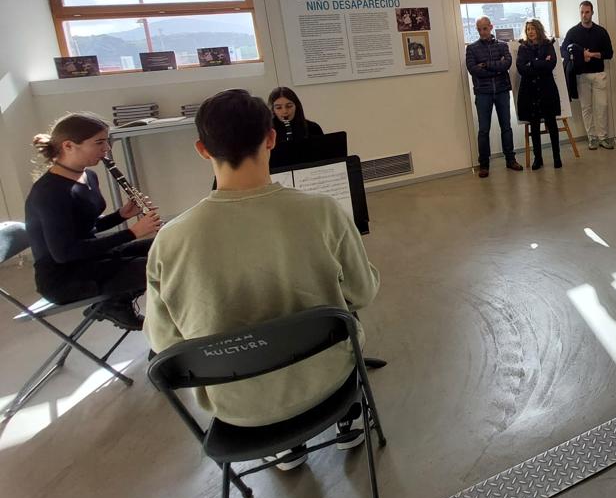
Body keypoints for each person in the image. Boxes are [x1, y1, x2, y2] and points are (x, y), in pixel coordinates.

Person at [145, 89, 380, 469]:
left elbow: (164, 342)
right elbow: (363, 291)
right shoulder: (322, 212)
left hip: (240, 411)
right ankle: (348, 420)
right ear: (271, 137)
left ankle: (285, 449)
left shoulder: (169, 241)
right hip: (328, 383)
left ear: (202, 150)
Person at [23, 113, 162, 331]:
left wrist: (120, 215)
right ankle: (136, 313)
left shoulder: (88, 176)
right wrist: (132, 233)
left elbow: (85, 227)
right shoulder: (49, 193)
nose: (106, 148)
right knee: (163, 268)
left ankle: (115, 302)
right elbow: (65, 252)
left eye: (106, 141)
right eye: (99, 142)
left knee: (165, 248)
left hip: (93, 260)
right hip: (65, 279)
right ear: (69, 146)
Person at [465, 16, 523, 178]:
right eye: (479, 29)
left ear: (491, 27)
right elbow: (473, 70)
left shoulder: (503, 46)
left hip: (502, 90)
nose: (482, 32)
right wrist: (496, 67)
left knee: (506, 127)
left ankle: (510, 159)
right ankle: (484, 164)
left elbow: (507, 64)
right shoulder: (472, 48)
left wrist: (486, 64)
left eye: (484, 28)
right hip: (483, 93)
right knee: (484, 130)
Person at [561, 1, 615, 150]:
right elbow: (563, 51)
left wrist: (592, 54)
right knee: (586, 108)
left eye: (587, 12)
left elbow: (609, 53)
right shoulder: (573, 32)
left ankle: (603, 137)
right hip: (581, 75)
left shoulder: (601, 31)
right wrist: (578, 56)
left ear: (592, 12)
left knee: (602, 106)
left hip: (599, 74)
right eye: (582, 12)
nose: (584, 15)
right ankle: (592, 138)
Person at [516, 19, 562, 170]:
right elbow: (521, 68)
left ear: (539, 30)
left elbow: (551, 64)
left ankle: (557, 157)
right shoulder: (523, 48)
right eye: (528, 29)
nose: (530, 32)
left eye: (533, 29)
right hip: (530, 91)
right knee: (534, 126)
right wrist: (541, 62)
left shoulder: (548, 45)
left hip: (546, 89)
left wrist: (533, 63)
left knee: (552, 124)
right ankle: (538, 158)